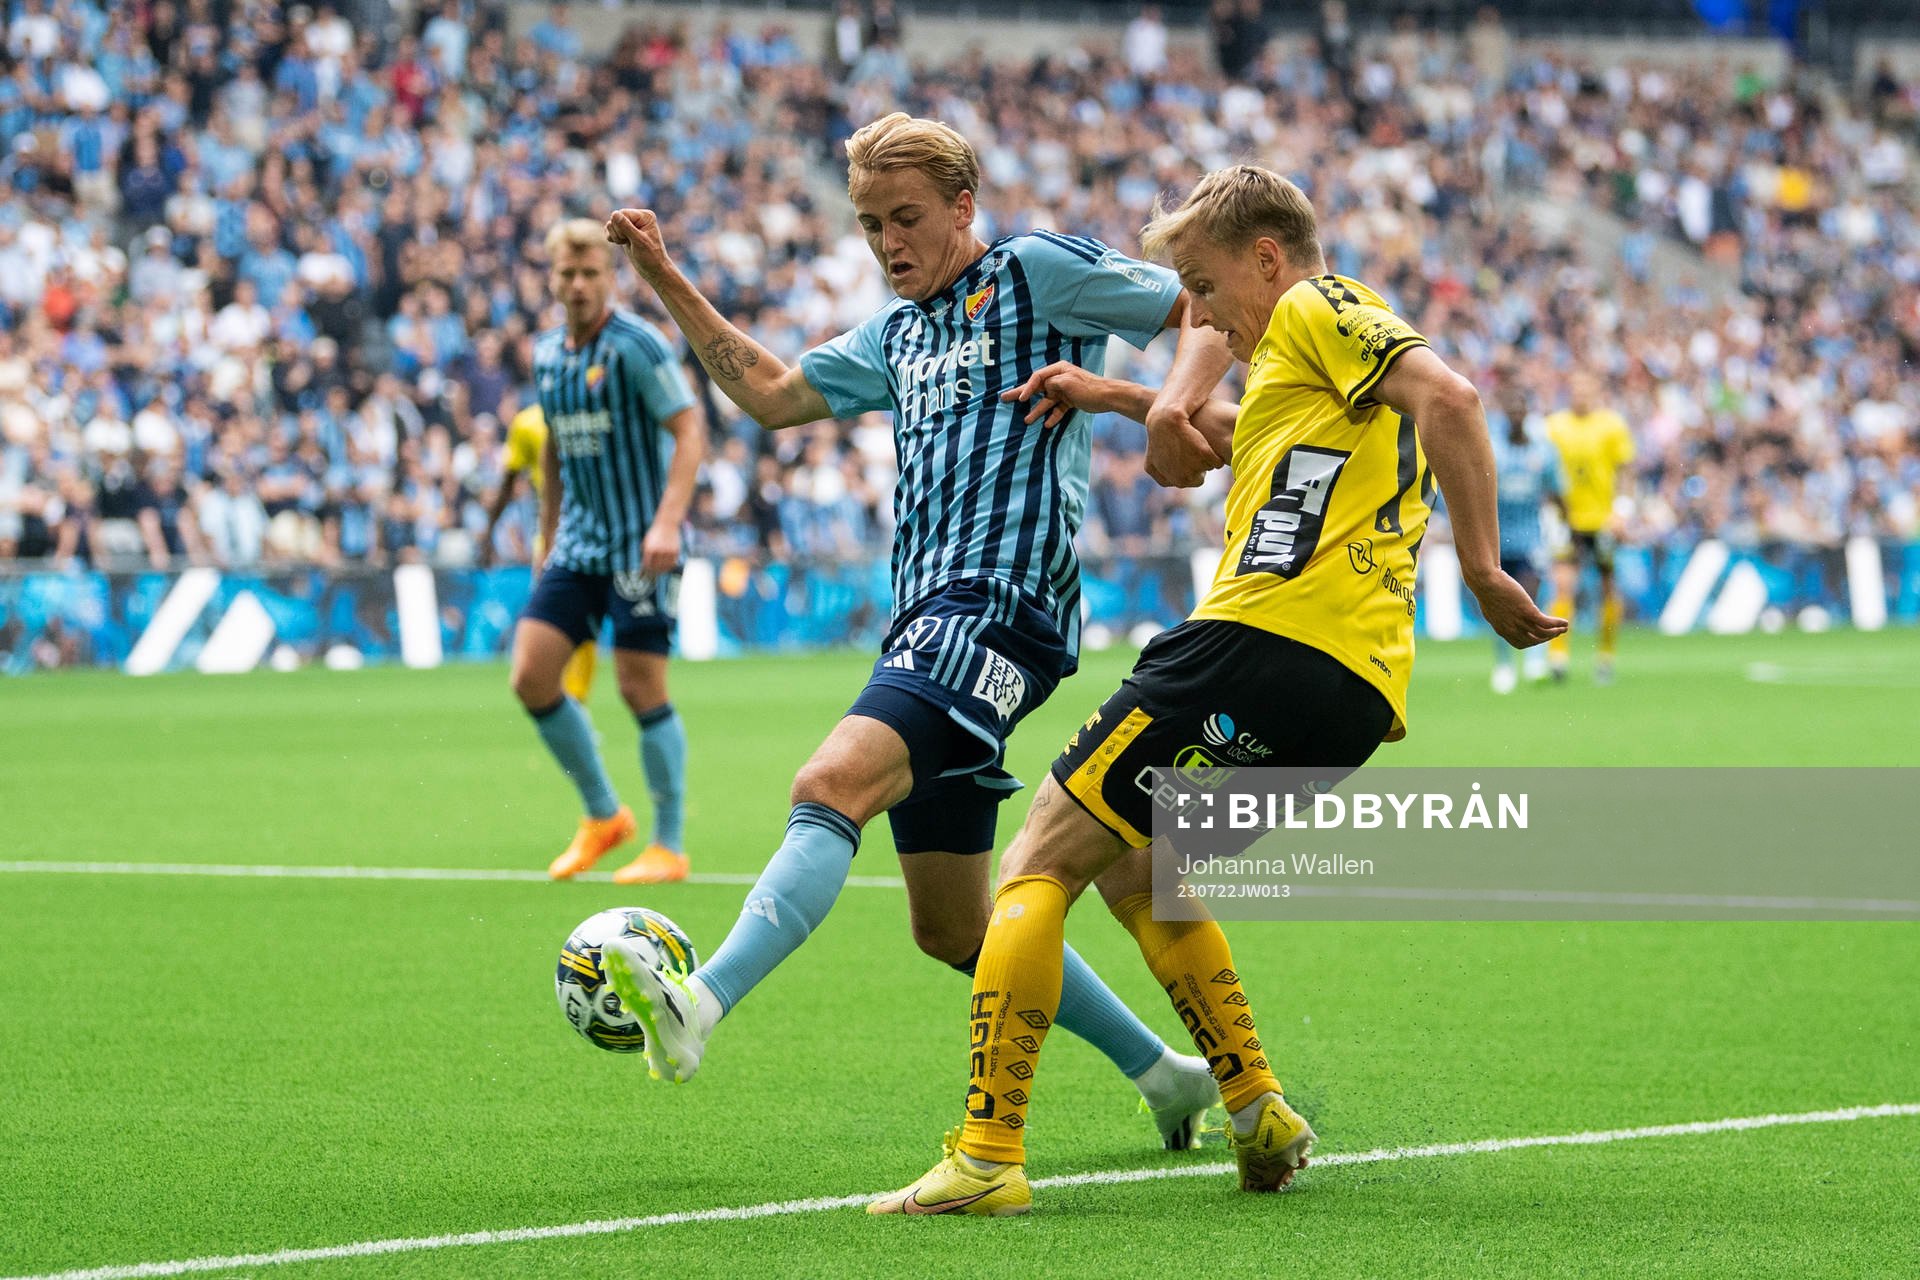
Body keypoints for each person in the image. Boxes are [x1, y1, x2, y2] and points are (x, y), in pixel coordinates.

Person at [870, 164, 1564, 1216]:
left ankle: (987, 1153)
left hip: (1257, 639)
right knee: (1142, 871)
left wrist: (1482, 567)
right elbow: (1254, 439)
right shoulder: (1311, 360)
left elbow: (1453, 398)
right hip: (1354, 695)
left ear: (1268, 259)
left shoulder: (1322, 306)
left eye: (1203, 283)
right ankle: (1258, 1110)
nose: (1200, 313)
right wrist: (1112, 396)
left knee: (1039, 857)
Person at [598, 113, 1231, 1150]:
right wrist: (665, 275)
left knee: (827, 783)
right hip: (923, 619)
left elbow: (1202, 303)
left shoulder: (1036, 272)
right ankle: (1164, 1073)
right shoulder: (896, 336)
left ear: (962, 207)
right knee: (953, 924)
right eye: (869, 225)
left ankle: (697, 1002)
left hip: (1003, 606)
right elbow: (767, 393)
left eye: (907, 218)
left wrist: (1166, 402)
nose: (888, 242)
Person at [508, 218, 706, 887]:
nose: (580, 284)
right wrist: (546, 538)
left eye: (591, 272)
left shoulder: (638, 346)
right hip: (578, 545)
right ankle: (603, 815)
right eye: (568, 273)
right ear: (553, 279)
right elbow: (557, 452)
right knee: (532, 675)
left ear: (609, 277)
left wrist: (667, 524)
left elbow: (688, 429)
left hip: (641, 545)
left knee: (638, 686)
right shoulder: (546, 355)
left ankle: (670, 845)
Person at [480, 399, 597, 706]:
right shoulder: (527, 423)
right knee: (557, 618)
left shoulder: (593, 410)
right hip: (551, 535)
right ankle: (563, 699)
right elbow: (508, 481)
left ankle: (574, 703)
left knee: (585, 623)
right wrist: (488, 532)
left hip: (596, 532)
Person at [1544, 370, 1635, 684]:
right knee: (1563, 584)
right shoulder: (1554, 426)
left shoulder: (1612, 425)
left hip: (1603, 520)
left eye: (1586, 387)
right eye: (1575, 387)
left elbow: (1625, 471)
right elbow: (1546, 473)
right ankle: (1558, 657)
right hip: (1567, 520)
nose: (1580, 393)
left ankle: (1606, 657)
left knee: (1607, 587)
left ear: (1596, 390)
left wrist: (1622, 511)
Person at [1487, 374, 1564, 693]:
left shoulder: (1544, 451)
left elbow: (1557, 491)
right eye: (1512, 409)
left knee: (1531, 594)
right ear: (1505, 413)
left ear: (1528, 412)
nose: (1517, 414)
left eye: (1522, 408)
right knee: (1498, 601)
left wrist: (1566, 525)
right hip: (1498, 536)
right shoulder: (1494, 449)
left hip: (1531, 537)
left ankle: (1534, 658)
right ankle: (1504, 664)